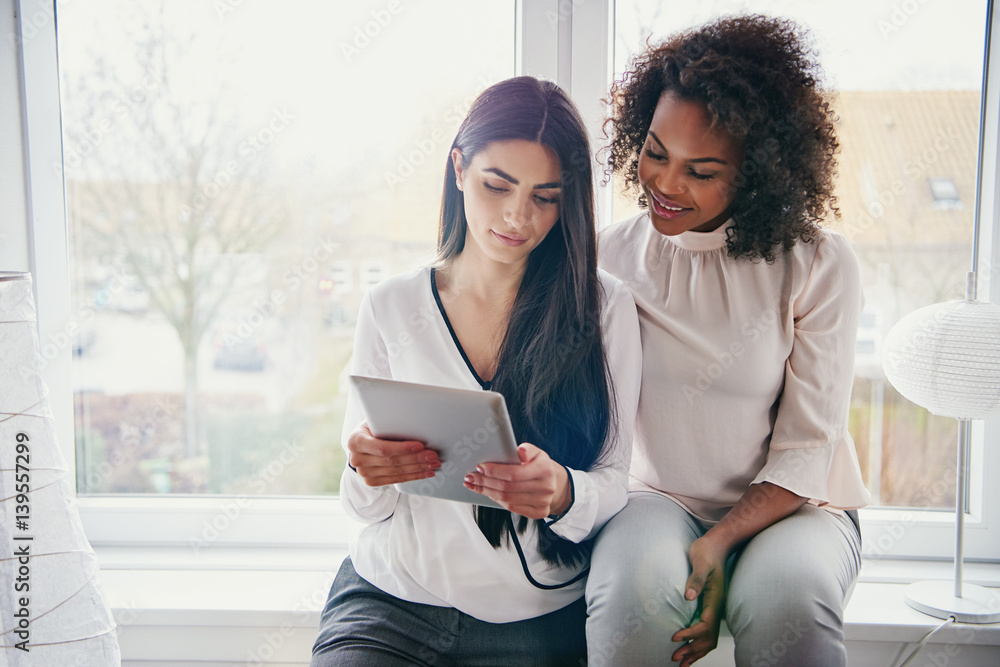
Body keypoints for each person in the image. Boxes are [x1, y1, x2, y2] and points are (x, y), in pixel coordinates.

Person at [311, 76, 642, 666]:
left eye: (546, 196)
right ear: (459, 168)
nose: (518, 216)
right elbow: (365, 509)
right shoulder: (392, 306)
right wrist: (369, 471)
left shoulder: (605, 307)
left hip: (537, 619)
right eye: (497, 185)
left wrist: (564, 491)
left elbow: (617, 479)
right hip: (392, 600)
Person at [587, 15, 870, 667]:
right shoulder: (606, 258)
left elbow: (806, 450)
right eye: (655, 151)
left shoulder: (820, 264)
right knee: (632, 595)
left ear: (757, 173)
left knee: (788, 601)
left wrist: (720, 544)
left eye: (701, 170)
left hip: (798, 507)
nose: (665, 183)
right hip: (655, 499)